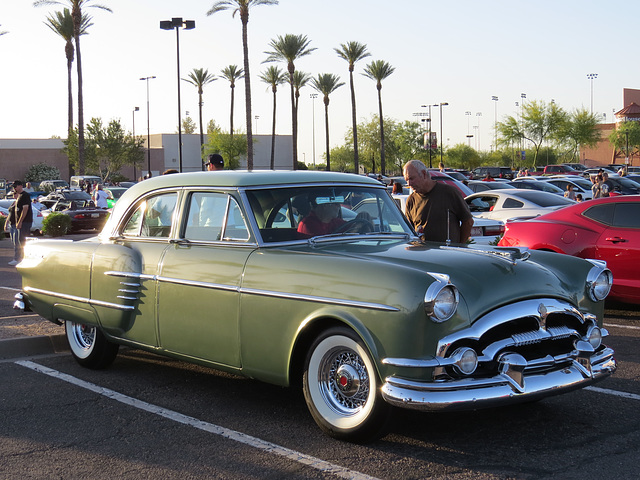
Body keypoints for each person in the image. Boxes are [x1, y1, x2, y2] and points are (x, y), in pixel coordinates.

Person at [403, 159, 474, 244]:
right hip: (421, 255)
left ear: (424, 174)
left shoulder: (449, 193)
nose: (409, 183)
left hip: (447, 254)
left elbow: (468, 222)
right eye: (406, 180)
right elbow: (408, 230)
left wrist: (459, 245)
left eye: (412, 178)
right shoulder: (411, 200)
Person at [9, 180, 33, 265]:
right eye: (13, 186)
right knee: (19, 241)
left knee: (23, 241)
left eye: (15, 186)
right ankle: (21, 258)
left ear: (20, 186)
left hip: (25, 222)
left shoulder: (25, 195)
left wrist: (20, 222)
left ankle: (24, 258)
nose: (14, 188)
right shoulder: (19, 196)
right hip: (20, 223)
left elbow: (25, 209)